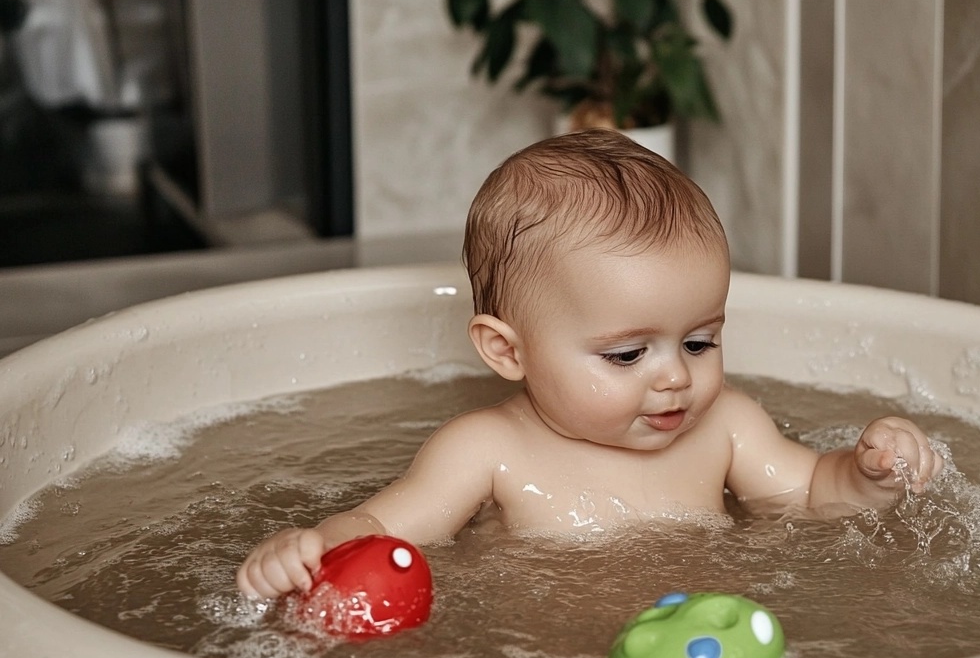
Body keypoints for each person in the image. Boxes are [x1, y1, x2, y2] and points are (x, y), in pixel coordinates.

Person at [236, 129, 944, 599]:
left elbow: (813, 496)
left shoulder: (726, 426)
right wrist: (309, 551)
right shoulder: (486, 450)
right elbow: (386, 531)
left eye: (700, 342)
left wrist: (869, 473)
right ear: (507, 351)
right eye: (628, 354)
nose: (673, 377)